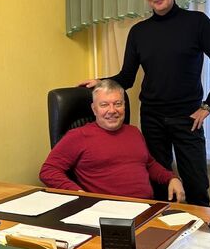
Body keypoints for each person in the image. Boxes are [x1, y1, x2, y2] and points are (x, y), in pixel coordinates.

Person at [80, 0, 210, 206]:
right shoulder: (139, 32)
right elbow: (127, 77)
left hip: (188, 119)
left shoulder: (196, 22)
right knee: (158, 186)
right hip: (152, 119)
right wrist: (102, 81)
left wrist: (208, 106)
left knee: (196, 186)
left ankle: (199, 230)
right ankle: (160, 229)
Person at [40, 80, 185, 202]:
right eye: (104, 105)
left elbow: (149, 164)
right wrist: (79, 194)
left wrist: (172, 178)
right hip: (108, 212)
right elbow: (48, 171)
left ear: (124, 106)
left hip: (147, 207)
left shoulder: (134, 132)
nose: (112, 110)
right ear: (94, 109)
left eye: (118, 104)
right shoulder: (78, 136)